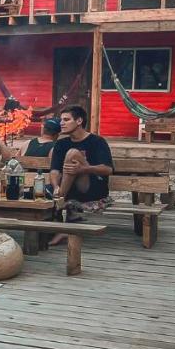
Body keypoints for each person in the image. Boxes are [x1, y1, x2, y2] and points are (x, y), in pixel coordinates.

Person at [48, 104, 114, 244]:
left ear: (79, 121)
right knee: (66, 162)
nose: (61, 123)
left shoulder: (97, 141)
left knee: (73, 153)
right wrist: (55, 187)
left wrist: (83, 169)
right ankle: (60, 200)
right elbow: (54, 170)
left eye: (66, 120)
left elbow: (107, 169)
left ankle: (58, 204)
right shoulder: (60, 144)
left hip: (93, 189)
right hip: (69, 189)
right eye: (61, 120)